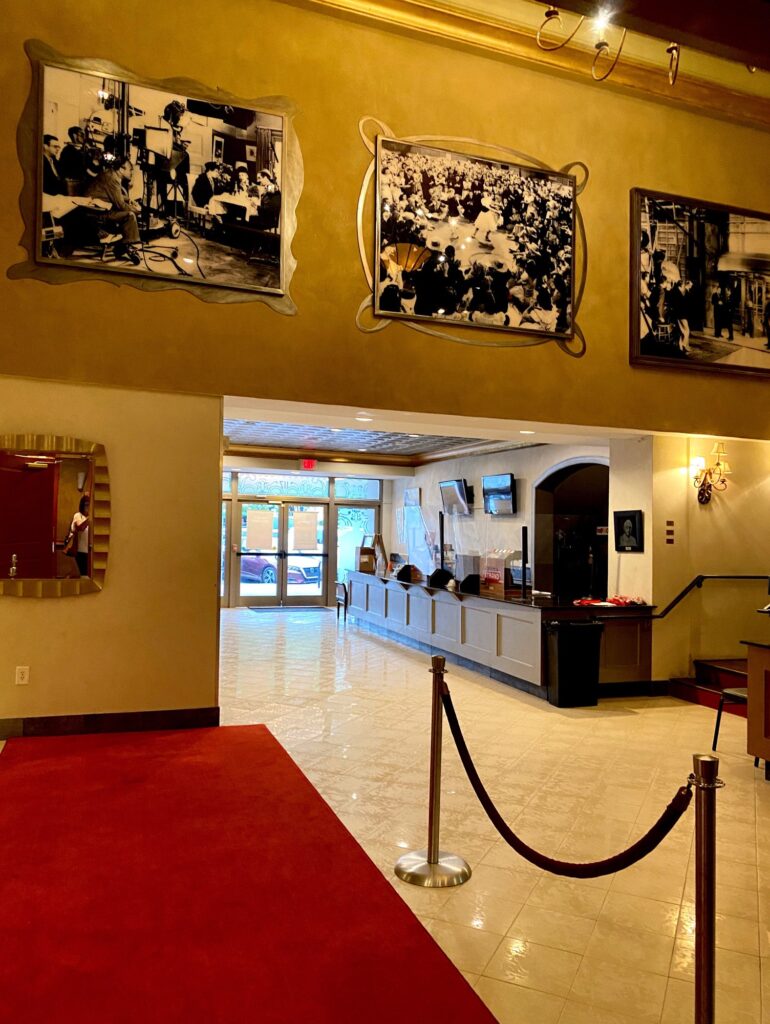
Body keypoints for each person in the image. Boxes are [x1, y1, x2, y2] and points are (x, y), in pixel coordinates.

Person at [86, 156, 141, 265]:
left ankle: (122, 247)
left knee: (128, 213)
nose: (131, 173)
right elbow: (120, 205)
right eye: (130, 170)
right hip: (96, 212)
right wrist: (137, 210)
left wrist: (129, 200)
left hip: (101, 208)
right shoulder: (112, 178)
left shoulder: (111, 174)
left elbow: (116, 195)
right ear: (121, 169)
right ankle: (127, 248)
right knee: (130, 215)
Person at [58, 126, 87, 194]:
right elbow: (62, 168)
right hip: (72, 185)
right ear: (74, 135)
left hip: (84, 184)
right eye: (81, 134)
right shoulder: (67, 151)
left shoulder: (85, 150)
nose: (84, 137)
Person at [70, 495, 90, 578]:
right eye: (86, 504)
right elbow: (80, 527)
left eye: (89, 505)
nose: (88, 507)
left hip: (89, 550)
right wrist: (90, 518)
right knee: (84, 574)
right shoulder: (78, 515)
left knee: (88, 575)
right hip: (80, 550)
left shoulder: (89, 518)